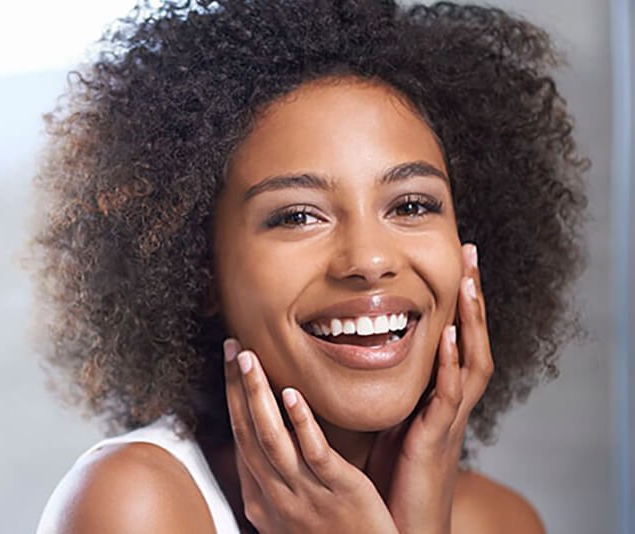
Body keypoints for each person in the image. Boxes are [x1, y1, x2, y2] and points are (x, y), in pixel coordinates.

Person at [29, 0, 588, 532]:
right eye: (298, 216)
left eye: (412, 205)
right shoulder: (133, 504)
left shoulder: (498, 521)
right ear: (201, 269)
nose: (370, 260)